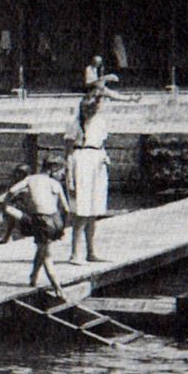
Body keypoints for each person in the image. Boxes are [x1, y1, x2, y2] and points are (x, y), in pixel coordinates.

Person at [0, 159, 71, 300]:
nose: (62, 175)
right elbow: (66, 209)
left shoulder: (31, 179)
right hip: (56, 220)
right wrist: (63, 229)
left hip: (42, 219)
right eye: (62, 172)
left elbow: (12, 190)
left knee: (47, 256)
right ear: (54, 169)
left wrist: (4, 205)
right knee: (42, 249)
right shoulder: (55, 183)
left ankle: (58, 288)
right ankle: (33, 277)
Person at [66, 94, 109, 264]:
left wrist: (104, 157)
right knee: (81, 211)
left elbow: (102, 145)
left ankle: (91, 251)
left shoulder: (100, 122)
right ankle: (75, 253)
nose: (89, 112)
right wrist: (70, 177)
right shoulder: (75, 123)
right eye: (86, 109)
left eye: (92, 108)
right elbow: (68, 152)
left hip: (97, 163)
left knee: (94, 210)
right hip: (81, 162)